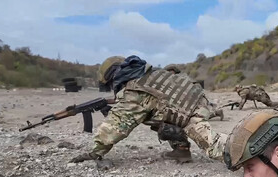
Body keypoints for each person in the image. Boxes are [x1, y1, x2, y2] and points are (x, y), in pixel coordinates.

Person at [70, 56, 225, 164]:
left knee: (221, 150)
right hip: (198, 101)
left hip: (192, 114)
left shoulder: (134, 90)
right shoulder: (151, 74)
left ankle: (246, 153)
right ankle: (181, 149)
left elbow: (116, 126)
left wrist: (95, 152)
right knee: (156, 116)